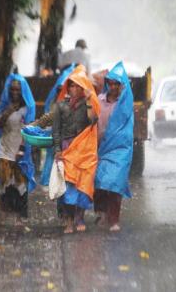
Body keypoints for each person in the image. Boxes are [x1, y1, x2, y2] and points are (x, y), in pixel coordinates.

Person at [52, 64, 100, 233]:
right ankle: (69, 221)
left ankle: (80, 217)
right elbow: (55, 130)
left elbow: (93, 121)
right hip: (67, 150)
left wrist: (88, 101)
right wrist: (58, 150)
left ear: (83, 88)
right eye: (71, 85)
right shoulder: (60, 106)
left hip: (85, 152)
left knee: (83, 187)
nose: (73, 89)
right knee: (68, 188)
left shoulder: (88, 104)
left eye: (77, 85)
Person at [0, 73, 36, 225]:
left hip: (19, 150)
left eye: (18, 90)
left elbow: (28, 130)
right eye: (12, 90)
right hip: (4, 148)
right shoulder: (5, 106)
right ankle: (4, 214)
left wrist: (22, 150)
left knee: (20, 183)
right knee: (5, 182)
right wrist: (8, 111)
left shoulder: (26, 110)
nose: (15, 92)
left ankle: (19, 217)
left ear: (22, 91)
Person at [94, 61, 134, 232]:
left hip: (119, 149)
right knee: (101, 181)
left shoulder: (125, 104)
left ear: (122, 85)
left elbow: (126, 129)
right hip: (100, 147)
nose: (112, 87)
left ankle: (114, 219)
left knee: (115, 182)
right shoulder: (99, 100)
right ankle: (102, 212)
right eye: (109, 83)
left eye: (116, 84)